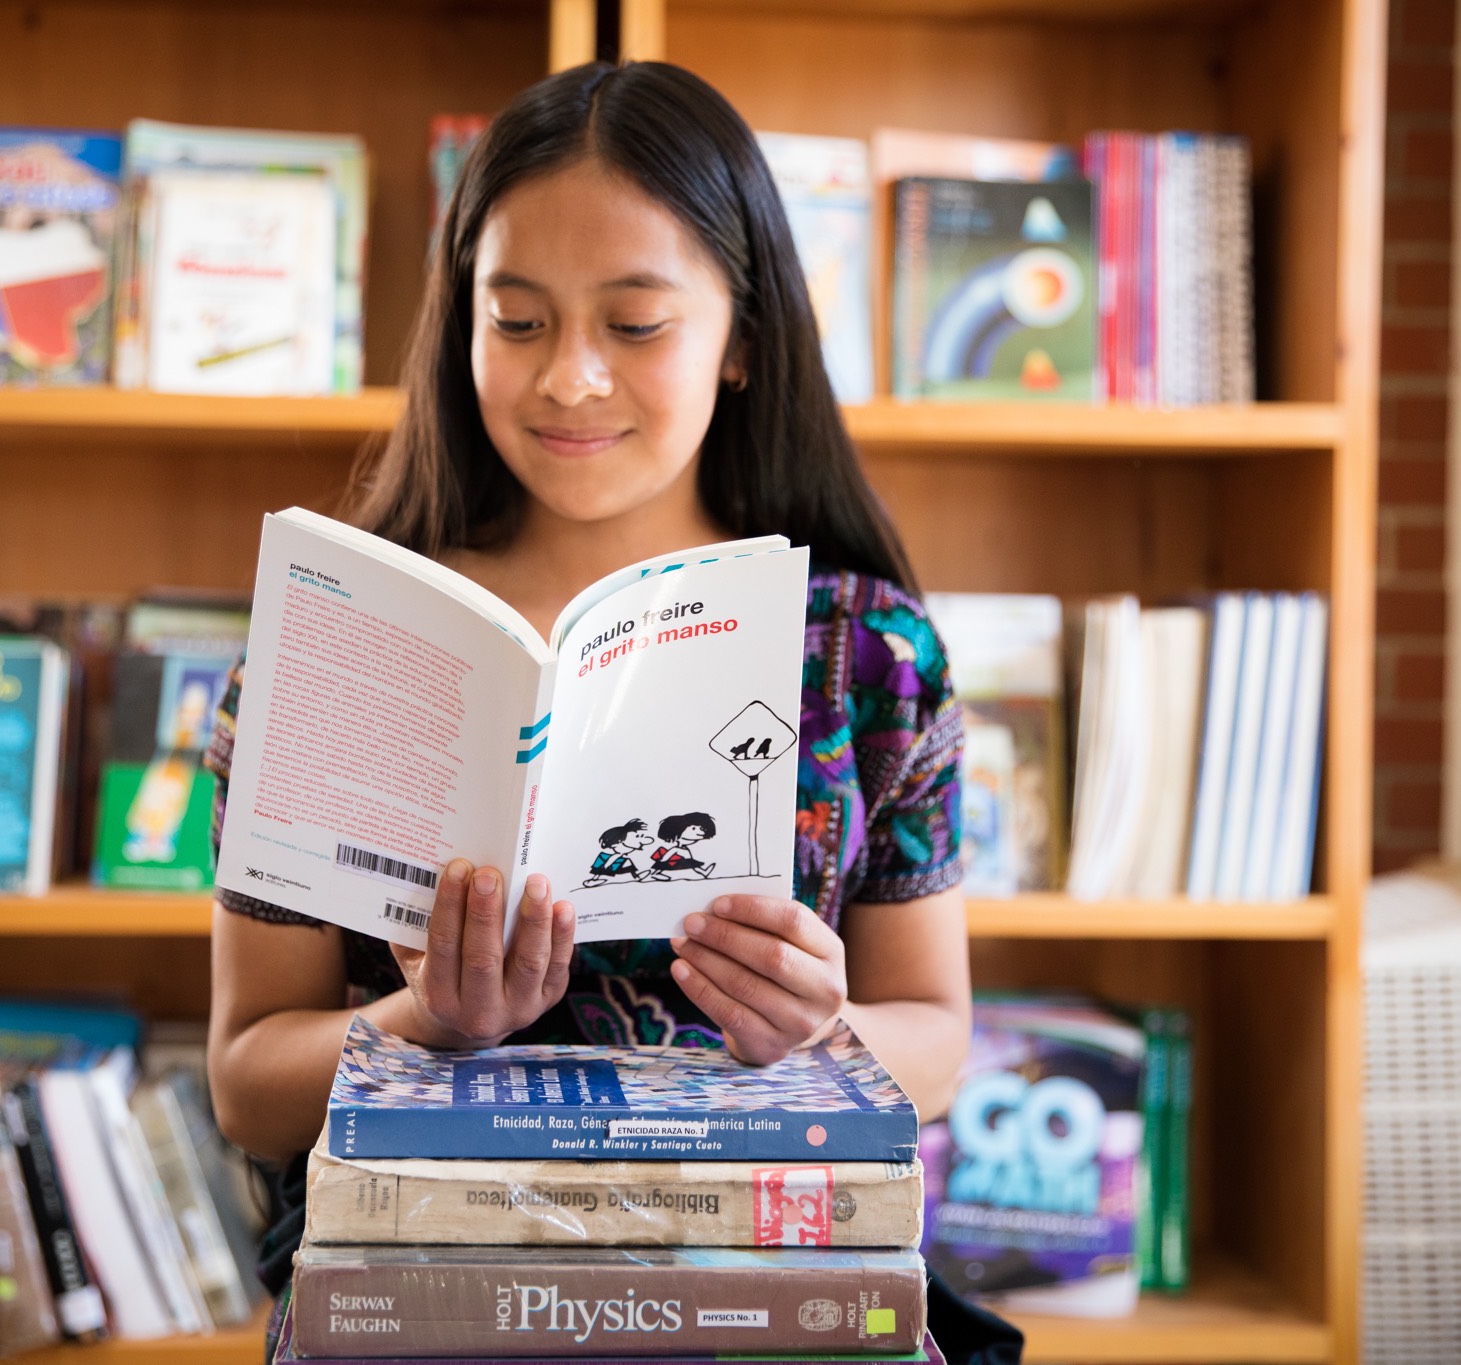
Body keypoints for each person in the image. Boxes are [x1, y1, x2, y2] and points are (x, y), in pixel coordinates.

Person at [205, 60, 1010, 1364]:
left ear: (742, 337)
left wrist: (822, 1027)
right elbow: (247, 1076)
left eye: (635, 325)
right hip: (429, 1298)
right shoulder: (336, 645)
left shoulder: (869, 654)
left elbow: (939, 1035)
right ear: (457, 320)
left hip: (768, 1292)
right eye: (516, 322)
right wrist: (429, 1024)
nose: (571, 378)